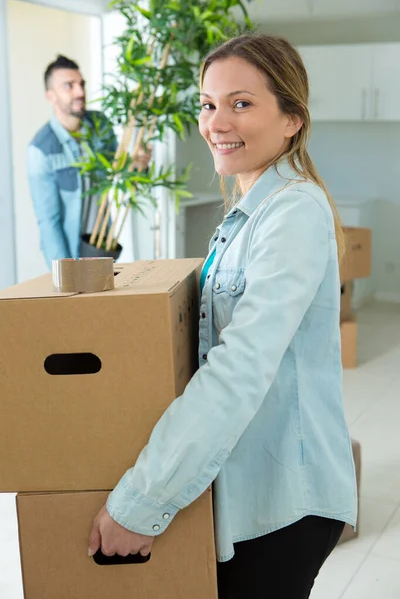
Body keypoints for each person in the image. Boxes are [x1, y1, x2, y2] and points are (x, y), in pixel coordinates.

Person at [88, 34, 357, 598]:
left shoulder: (293, 212)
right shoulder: (247, 212)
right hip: (248, 491)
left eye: (241, 103)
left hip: (284, 503)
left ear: (292, 120)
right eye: (208, 104)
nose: (216, 122)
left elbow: (238, 369)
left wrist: (144, 500)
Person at [27, 55, 150, 268]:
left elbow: (120, 173)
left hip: (103, 246)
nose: (80, 92)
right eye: (69, 86)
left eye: (81, 84)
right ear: (50, 96)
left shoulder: (99, 123)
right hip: (70, 256)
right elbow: (49, 222)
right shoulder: (41, 150)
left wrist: (139, 164)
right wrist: (65, 272)